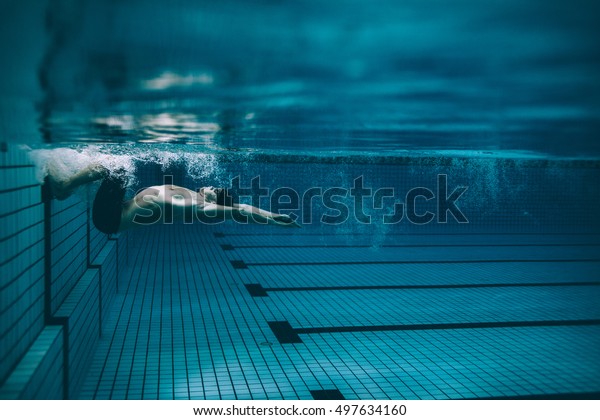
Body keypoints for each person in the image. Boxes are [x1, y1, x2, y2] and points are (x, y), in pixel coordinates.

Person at [44, 163, 300, 234]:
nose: (211, 184)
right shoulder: (191, 194)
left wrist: (274, 219)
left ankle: (63, 187)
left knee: (117, 167)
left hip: (110, 219)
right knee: (117, 168)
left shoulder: (201, 207)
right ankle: (68, 186)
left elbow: (240, 209)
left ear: (215, 199)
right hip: (117, 210)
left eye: (215, 188)